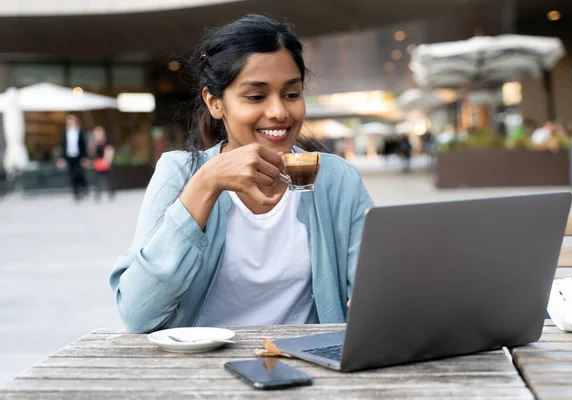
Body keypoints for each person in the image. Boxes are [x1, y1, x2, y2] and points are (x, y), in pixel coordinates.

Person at [109, 15, 374, 334]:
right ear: (215, 102)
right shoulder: (179, 173)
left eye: (291, 94)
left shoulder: (337, 178)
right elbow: (138, 315)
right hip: (200, 372)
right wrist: (206, 184)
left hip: (309, 366)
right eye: (256, 96)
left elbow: (373, 289)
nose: (279, 111)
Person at [57, 114, 89, 200]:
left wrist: (85, 157)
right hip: (69, 156)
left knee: (80, 173)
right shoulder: (64, 133)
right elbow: (63, 146)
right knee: (72, 175)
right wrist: (62, 158)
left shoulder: (80, 132)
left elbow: (84, 145)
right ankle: (76, 193)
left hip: (79, 156)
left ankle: (84, 188)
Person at [92, 126, 115, 201]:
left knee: (107, 180)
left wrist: (107, 161)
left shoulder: (107, 142)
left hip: (105, 163)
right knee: (97, 180)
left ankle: (111, 192)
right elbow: (92, 153)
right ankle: (97, 194)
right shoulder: (94, 143)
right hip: (98, 164)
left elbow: (110, 151)